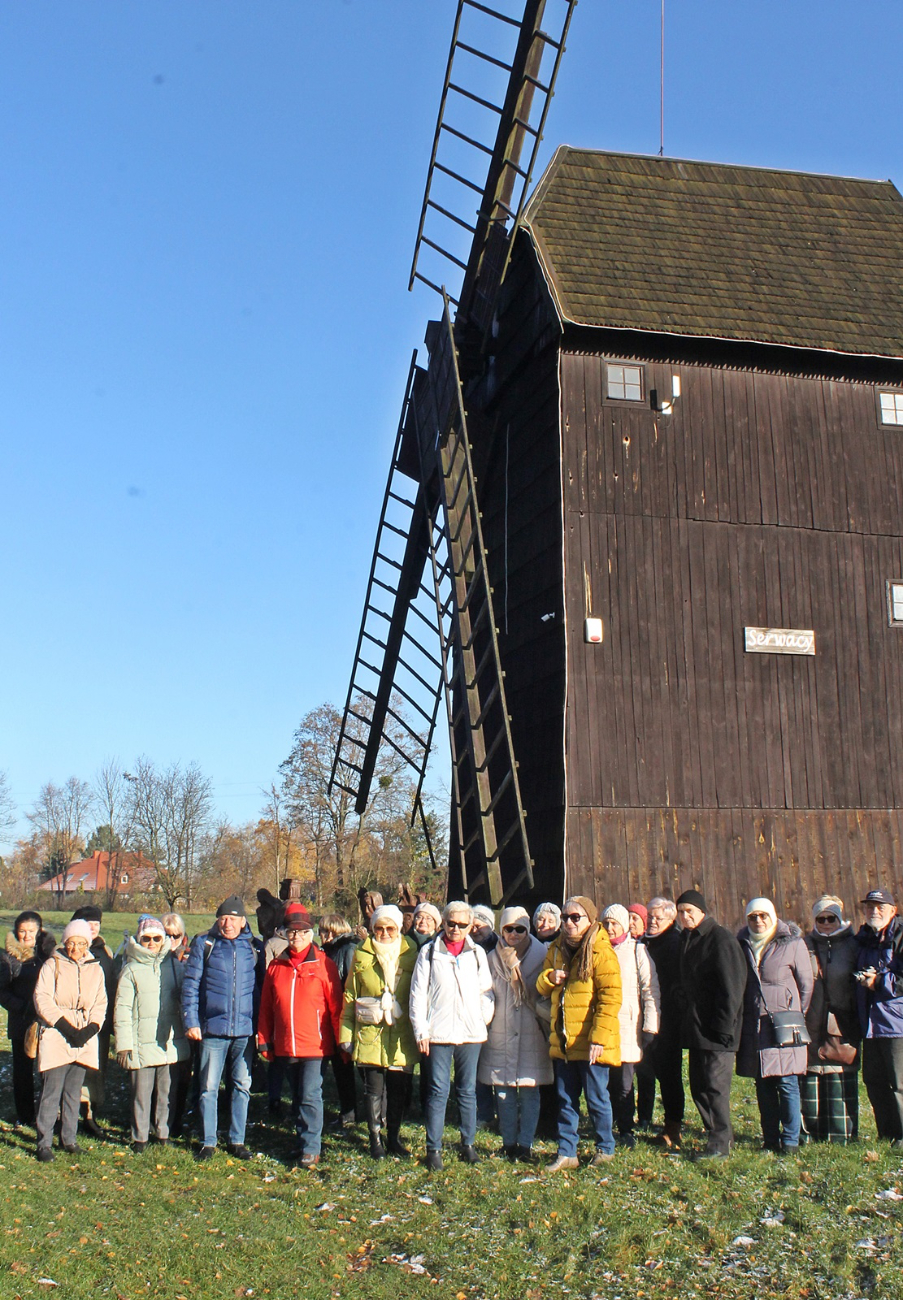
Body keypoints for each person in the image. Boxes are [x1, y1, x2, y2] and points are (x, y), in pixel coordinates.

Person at [536, 895, 621, 1171]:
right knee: (565, 1099)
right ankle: (567, 1152)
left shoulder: (600, 950)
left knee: (597, 1099)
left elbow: (610, 997)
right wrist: (549, 978)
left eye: (576, 917)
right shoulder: (557, 948)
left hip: (592, 1040)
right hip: (564, 1040)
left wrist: (599, 1037)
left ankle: (605, 1148)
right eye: (565, 918)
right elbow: (540, 985)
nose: (569, 923)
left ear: (589, 920)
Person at [409, 901, 495, 1171]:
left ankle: (467, 1143)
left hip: (471, 1033)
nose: (455, 929)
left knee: (467, 1090)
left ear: (471, 926)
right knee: (437, 1090)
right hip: (439, 1032)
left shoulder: (478, 954)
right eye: (451, 923)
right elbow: (418, 993)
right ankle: (433, 1147)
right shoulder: (429, 952)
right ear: (443, 923)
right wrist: (421, 1029)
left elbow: (486, 991)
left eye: (462, 924)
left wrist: (483, 1018)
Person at [257, 906, 343, 1168]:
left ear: (310, 934)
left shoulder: (323, 965)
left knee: (309, 1095)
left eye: (302, 933)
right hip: (285, 1044)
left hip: (315, 1045)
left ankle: (311, 1147)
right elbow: (267, 1007)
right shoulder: (276, 966)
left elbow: (336, 1005)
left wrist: (342, 1042)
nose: (296, 937)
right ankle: (301, 1139)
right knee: (296, 1096)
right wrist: (263, 1039)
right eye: (291, 933)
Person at [182, 895, 259, 1162]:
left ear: (243, 921)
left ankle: (237, 1140)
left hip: (244, 1031)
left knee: (241, 1086)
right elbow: (191, 985)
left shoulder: (252, 947)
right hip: (212, 1029)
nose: (228, 923)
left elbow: (259, 991)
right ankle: (208, 1141)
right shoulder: (205, 944)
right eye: (223, 918)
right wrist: (191, 1021)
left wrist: (259, 1027)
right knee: (208, 1087)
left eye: (233, 918)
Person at [339, 904, 418, 1158]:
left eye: (390, 928)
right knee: (373, 1090)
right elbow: (350, 995)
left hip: (401, 1033)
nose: (384, 933)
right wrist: (346, 1034)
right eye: (379, 928)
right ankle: (375, 1138)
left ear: (399, 929)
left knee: (398, 1089)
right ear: (372, 929)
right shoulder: (361, 954)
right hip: (370, 1031)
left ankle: (393, 1137)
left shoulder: (411, 953)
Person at [737, 898, 814, 1153]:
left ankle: (791, 1139)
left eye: (763, 916)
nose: (758, 921)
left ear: (773, 916)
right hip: (755, 1025)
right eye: (752, 917)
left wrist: (794, 1013)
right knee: (764, 1085)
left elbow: (806, 985)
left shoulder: (792, 944)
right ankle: (769, 1139)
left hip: (784, 1025)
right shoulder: (742, 944)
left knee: (787, 1083)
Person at [477, 906, 552, 1161]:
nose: (514, 934)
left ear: (528, 930)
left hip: (532, 1032)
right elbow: (484, 992)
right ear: (501, 930)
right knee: (504, 1091)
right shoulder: (490, 959)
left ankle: (525, 1145)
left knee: (530, 1091)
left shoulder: (543, 956)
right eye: (509, 929)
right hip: (501, 1031)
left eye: (520, 929)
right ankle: (508, 1143)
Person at [676, 889, 747, 1159]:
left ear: (702, 912)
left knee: (716, 1087)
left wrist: (724, 1026)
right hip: (696, 1029)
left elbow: (732, 987)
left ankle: (721, 1143)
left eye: (689, 911)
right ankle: (714, 1134)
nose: (685, 916)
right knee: (698, 1086)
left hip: (718, 1030)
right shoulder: (687, 939)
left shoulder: (720, 939)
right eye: (681, 912)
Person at [32, 920, 108, 1162]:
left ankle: (69, 1138)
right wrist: (64, 1026)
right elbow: (42, 998)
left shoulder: (95, 968)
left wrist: (90, 1029)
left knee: (74, 1091)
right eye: (72, 943)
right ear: (65, 943)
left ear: (88, 944)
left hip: (84, 1035)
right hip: (57, 1032)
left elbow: (100, 1002)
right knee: (51, 1091)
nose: (76, 948)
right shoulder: (51, 965)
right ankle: (44, 1142)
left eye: (81, 943)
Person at [114, 916, 188, 1152]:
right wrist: (124, 1045)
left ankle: (163, 1132)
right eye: (147, 938)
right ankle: (140, 1136)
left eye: (157, 938)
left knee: (167, 1091)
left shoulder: (174, 966)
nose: (152, 943)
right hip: (141, 1041)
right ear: (139, 939)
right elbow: (122, 1010)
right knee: (141, 1093)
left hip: (168, 1039)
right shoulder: (130, 970)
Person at [802, 895, 861, 1142]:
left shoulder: (854, 945)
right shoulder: (804, 944)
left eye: (831, 917)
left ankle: (841, 1135)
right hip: (812, 1023)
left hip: (842, 1022)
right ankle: (811, 1133)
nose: (826, 922)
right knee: (811, 1076)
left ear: (839, 918)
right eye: (821, 918)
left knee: (839, 1076)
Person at [601, 904, 660, 1149]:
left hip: (628, 1025)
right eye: (606, 923)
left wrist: (650, 1026)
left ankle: (626, 1129)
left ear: (624, 925)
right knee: (604, 1082)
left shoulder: (638, 951)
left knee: (624, 1082)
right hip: (603, 1026)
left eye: (615, 923)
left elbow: (649, 990)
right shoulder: (598, 950)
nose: (610, 928)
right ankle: (606, 1125)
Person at [854, 888, 903, 1146]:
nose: (874, 911)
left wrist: (878, 982)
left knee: (899, 1084)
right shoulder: (865, 938)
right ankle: (887, 1134)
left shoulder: (899, 935)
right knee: (874, 1082)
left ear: (893, 911)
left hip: (897, 1024)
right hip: (870, 1024)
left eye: (880, 907)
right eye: (870, 907)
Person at [0, 911, 55, 1127]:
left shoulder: (49, 955)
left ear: (39, 931)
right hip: (21, 1021)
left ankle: (47, 1114)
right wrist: (22, 1008)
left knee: (48, 1070)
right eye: (22, 931)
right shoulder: (7, 957)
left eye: (31, 931)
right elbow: (1, 991)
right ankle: (25, 1115)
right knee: (23, 1071)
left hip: (46, 1021)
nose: (26, 936)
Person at [638, 897, 684, 1147]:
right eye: (651, 917)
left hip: (667, 1020)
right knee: (647, 1072)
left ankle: (673, 1126)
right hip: (646, 1016)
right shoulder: (646, 942)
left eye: (658, 918)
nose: (653, 922)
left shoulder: (673, 943)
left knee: (669, 1075)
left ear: (670, 920)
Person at [71, 904, 114, 1137]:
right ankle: (66, 1113)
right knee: (74, 1069)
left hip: (101, 1022)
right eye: (89, 924)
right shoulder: (66, 950)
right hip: (76, 1022)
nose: (94, 929)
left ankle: (90, 1115)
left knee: (97, 1071)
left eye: (97, 924)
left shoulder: (104, 951)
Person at [319, 913, 361, 1128]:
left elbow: (348, 980)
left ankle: (353, 1111)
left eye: (323, 931)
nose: (321, 936)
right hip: (332, 1014)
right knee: (340, 1066)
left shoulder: (347, 949)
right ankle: (348, 1110)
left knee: (348, 1066)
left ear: (332, 931)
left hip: (345, 1013)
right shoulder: (328, 951)